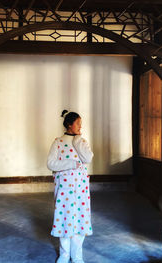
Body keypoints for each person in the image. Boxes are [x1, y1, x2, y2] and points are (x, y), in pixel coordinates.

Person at [47, 110, 94, 263]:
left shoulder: (82, 142)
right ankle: (64, 254)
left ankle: (77, 255)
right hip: (64, 189)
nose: (81, 126)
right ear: (69, 124)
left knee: (80, 219)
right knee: (64, 219)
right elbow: (50, 163)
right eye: (78, 123)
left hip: (80, 188)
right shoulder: (58, 142)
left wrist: (77, 142)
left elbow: (88, 158)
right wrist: (71, 164)